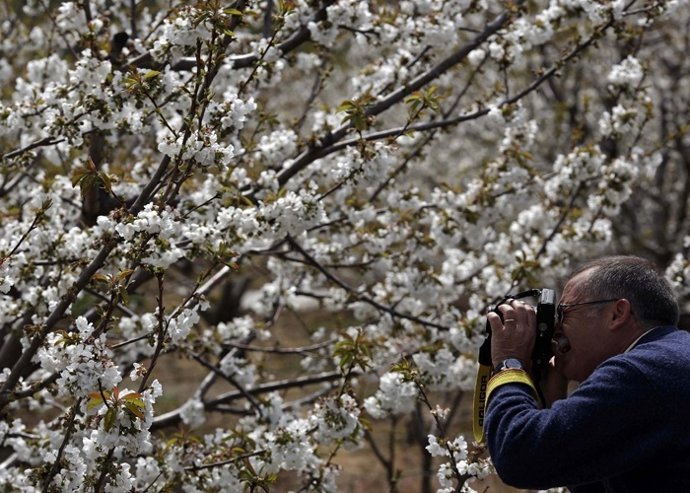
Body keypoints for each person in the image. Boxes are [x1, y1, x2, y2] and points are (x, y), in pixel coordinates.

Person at [484, 255, 690, 491]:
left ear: (617, 313)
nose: (556, 329)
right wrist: (554, 403)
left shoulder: (640, 371)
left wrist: (509, 363)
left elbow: (518, 456)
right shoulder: (668, 360)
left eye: (565, 313)